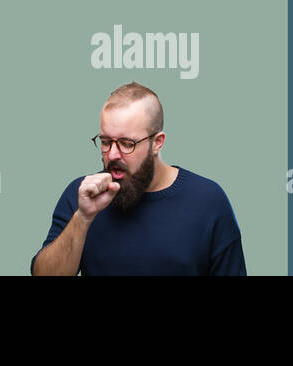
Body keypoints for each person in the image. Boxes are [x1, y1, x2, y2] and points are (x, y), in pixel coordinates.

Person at [31, 82, 245, 275]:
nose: (113, 154)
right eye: (106, 141)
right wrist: (83, 218)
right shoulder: (82, 196)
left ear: (157, 142)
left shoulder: (208, 200)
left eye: (127, 143)